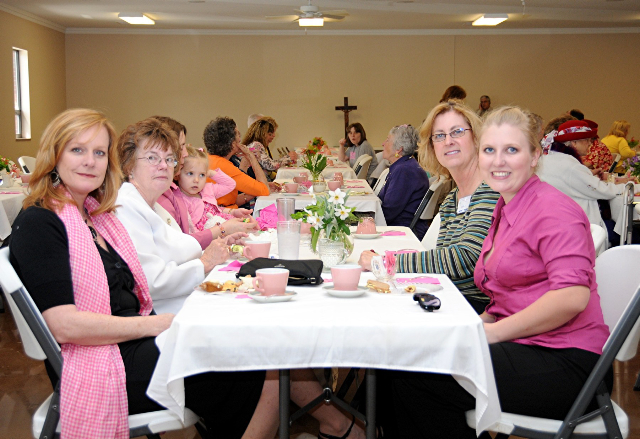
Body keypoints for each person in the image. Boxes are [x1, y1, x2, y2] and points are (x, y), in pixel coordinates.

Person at [9, 109, 272, 439]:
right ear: (54, 154)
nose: (90, 161)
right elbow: (63, 324)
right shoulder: (40, 222)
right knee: (241, 362)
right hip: (102, 359)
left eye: (99, 152)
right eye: (77, 150)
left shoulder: (93, 216)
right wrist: (159, 323)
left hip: (127, 341)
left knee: (245, 350)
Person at [381, 106, 611, 438]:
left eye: (512, 150)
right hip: (528, 345)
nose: (498, 161)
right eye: (490, 150)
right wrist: (479, 324)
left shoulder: (553, 208)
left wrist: (490, 333)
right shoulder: (506, 207)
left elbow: (572, 297)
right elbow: (505, 294)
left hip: (569, 364)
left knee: (418, 375)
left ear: (535, 156)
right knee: (408, 362)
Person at [359, 100, 500, 314]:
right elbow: (443, 256)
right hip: (449, 295)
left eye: (457, 132)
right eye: (440, 136)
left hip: (475, 307)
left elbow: (466, 258)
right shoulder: (454, 196)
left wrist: (388, 262)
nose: (448, 141)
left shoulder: (489, 188)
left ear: (476, 137)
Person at [115, 117, 243, 315]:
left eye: (169, 159)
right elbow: (150, 282)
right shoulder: (126, 207)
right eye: (152, 158)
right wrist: (205, 262)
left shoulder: (153, 205)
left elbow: (179, 251)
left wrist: (219, 248)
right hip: (164, 317)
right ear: (129, 165)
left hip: (185, 301)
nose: (163, 166)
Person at [154, 116, 257, 250]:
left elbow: (210, 207)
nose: (185, 153)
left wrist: (230, 212)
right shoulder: (171, 194)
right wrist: (223, 229)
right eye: (182, 146)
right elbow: (180, 242)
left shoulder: (181, 189)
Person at [538, 120, 627, 242]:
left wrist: (589, 175)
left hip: (556, 222)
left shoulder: (550, 158)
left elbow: (573, 182)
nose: (590, 144)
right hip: (580, 226)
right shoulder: (569, 164)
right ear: (574, 143)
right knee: (629, 233)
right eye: (587, 140)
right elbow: (601, 190)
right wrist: (628, 186)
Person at [176, 145, 258, 232]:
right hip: (209, 235)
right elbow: (190, 230)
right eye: (190, 173)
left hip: (223, 222)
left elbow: (230, 184)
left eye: (202, 175)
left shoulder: (207, 189)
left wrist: (211, 173)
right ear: (177, 174)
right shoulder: (180, 200)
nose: (196, 180)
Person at [377, 124, 430, 239]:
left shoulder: (404, 170)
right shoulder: (405, 165)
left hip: (402, 232)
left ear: (399, 149)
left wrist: (364, 220)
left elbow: (389, 212)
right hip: (401, 227)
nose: (383, 143)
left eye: (387, 140)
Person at [205, 117, 271, 209]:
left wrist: (254, 191)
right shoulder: (225, 167)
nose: (240, 140)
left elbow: (228, 200)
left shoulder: (206, 159)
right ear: (232, 143)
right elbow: (265, 190)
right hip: (227, 218)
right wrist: (251, 157)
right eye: (238, 135)